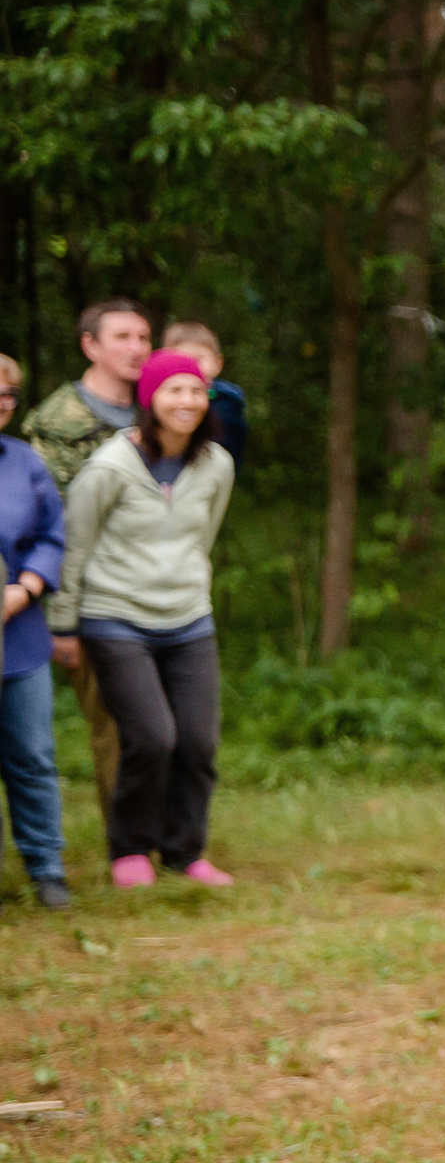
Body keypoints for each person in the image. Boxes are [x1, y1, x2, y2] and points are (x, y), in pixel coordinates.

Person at [51, 349, 236, 889]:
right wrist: (64, 624)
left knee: (198, 742)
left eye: (196, 391)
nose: (187, 401)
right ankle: (129, 848)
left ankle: (185, 852)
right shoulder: (109, 467)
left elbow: (205, 535)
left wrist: (189, 584)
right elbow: (75, 544)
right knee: (152, 737)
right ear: (149, 399)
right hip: (115, 618)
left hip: (189, 619)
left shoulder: (216, 465)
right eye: (174, 391)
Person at [27, 298, 152, 827]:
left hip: (158, 592)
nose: (136, 348)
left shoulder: (161, 407)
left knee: (164, 725)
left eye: (144, 338)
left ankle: (173, 837)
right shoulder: (56, 424)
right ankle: (129, 845)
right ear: (90, 346)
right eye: (122, 337)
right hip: (93, 598)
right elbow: (47, 527)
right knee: (117, 726)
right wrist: (63, 620)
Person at [0, 356, 72, 908]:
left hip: (19, 636)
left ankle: (47, 869)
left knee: (32, 754)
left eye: (8, 396)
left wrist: (23, 589)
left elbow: (52, 533)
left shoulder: (24, 462)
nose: (1, 404)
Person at [160, 320, 250, 466]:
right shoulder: (158, 398)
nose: (190, 366)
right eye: (180, 359)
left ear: (217, 363)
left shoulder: (226, 402)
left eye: (198, 358)